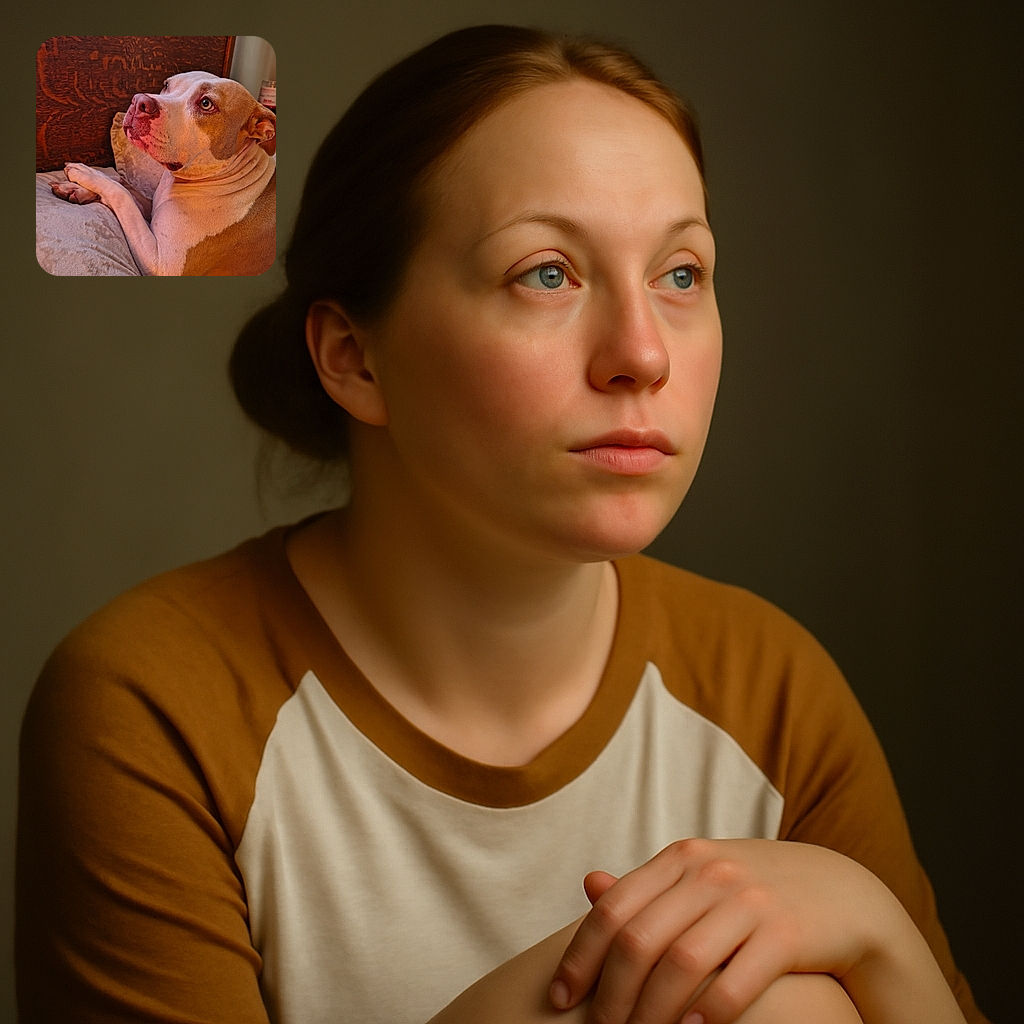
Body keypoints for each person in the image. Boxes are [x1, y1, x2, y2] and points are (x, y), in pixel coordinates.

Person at [16, 24, 989, 1024]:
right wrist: (620, 968)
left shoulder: (771, 690)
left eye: (681, 274)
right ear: (355, 357)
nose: (643, 355)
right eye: (548, 273)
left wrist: (869, 920)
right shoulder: (151, 703)